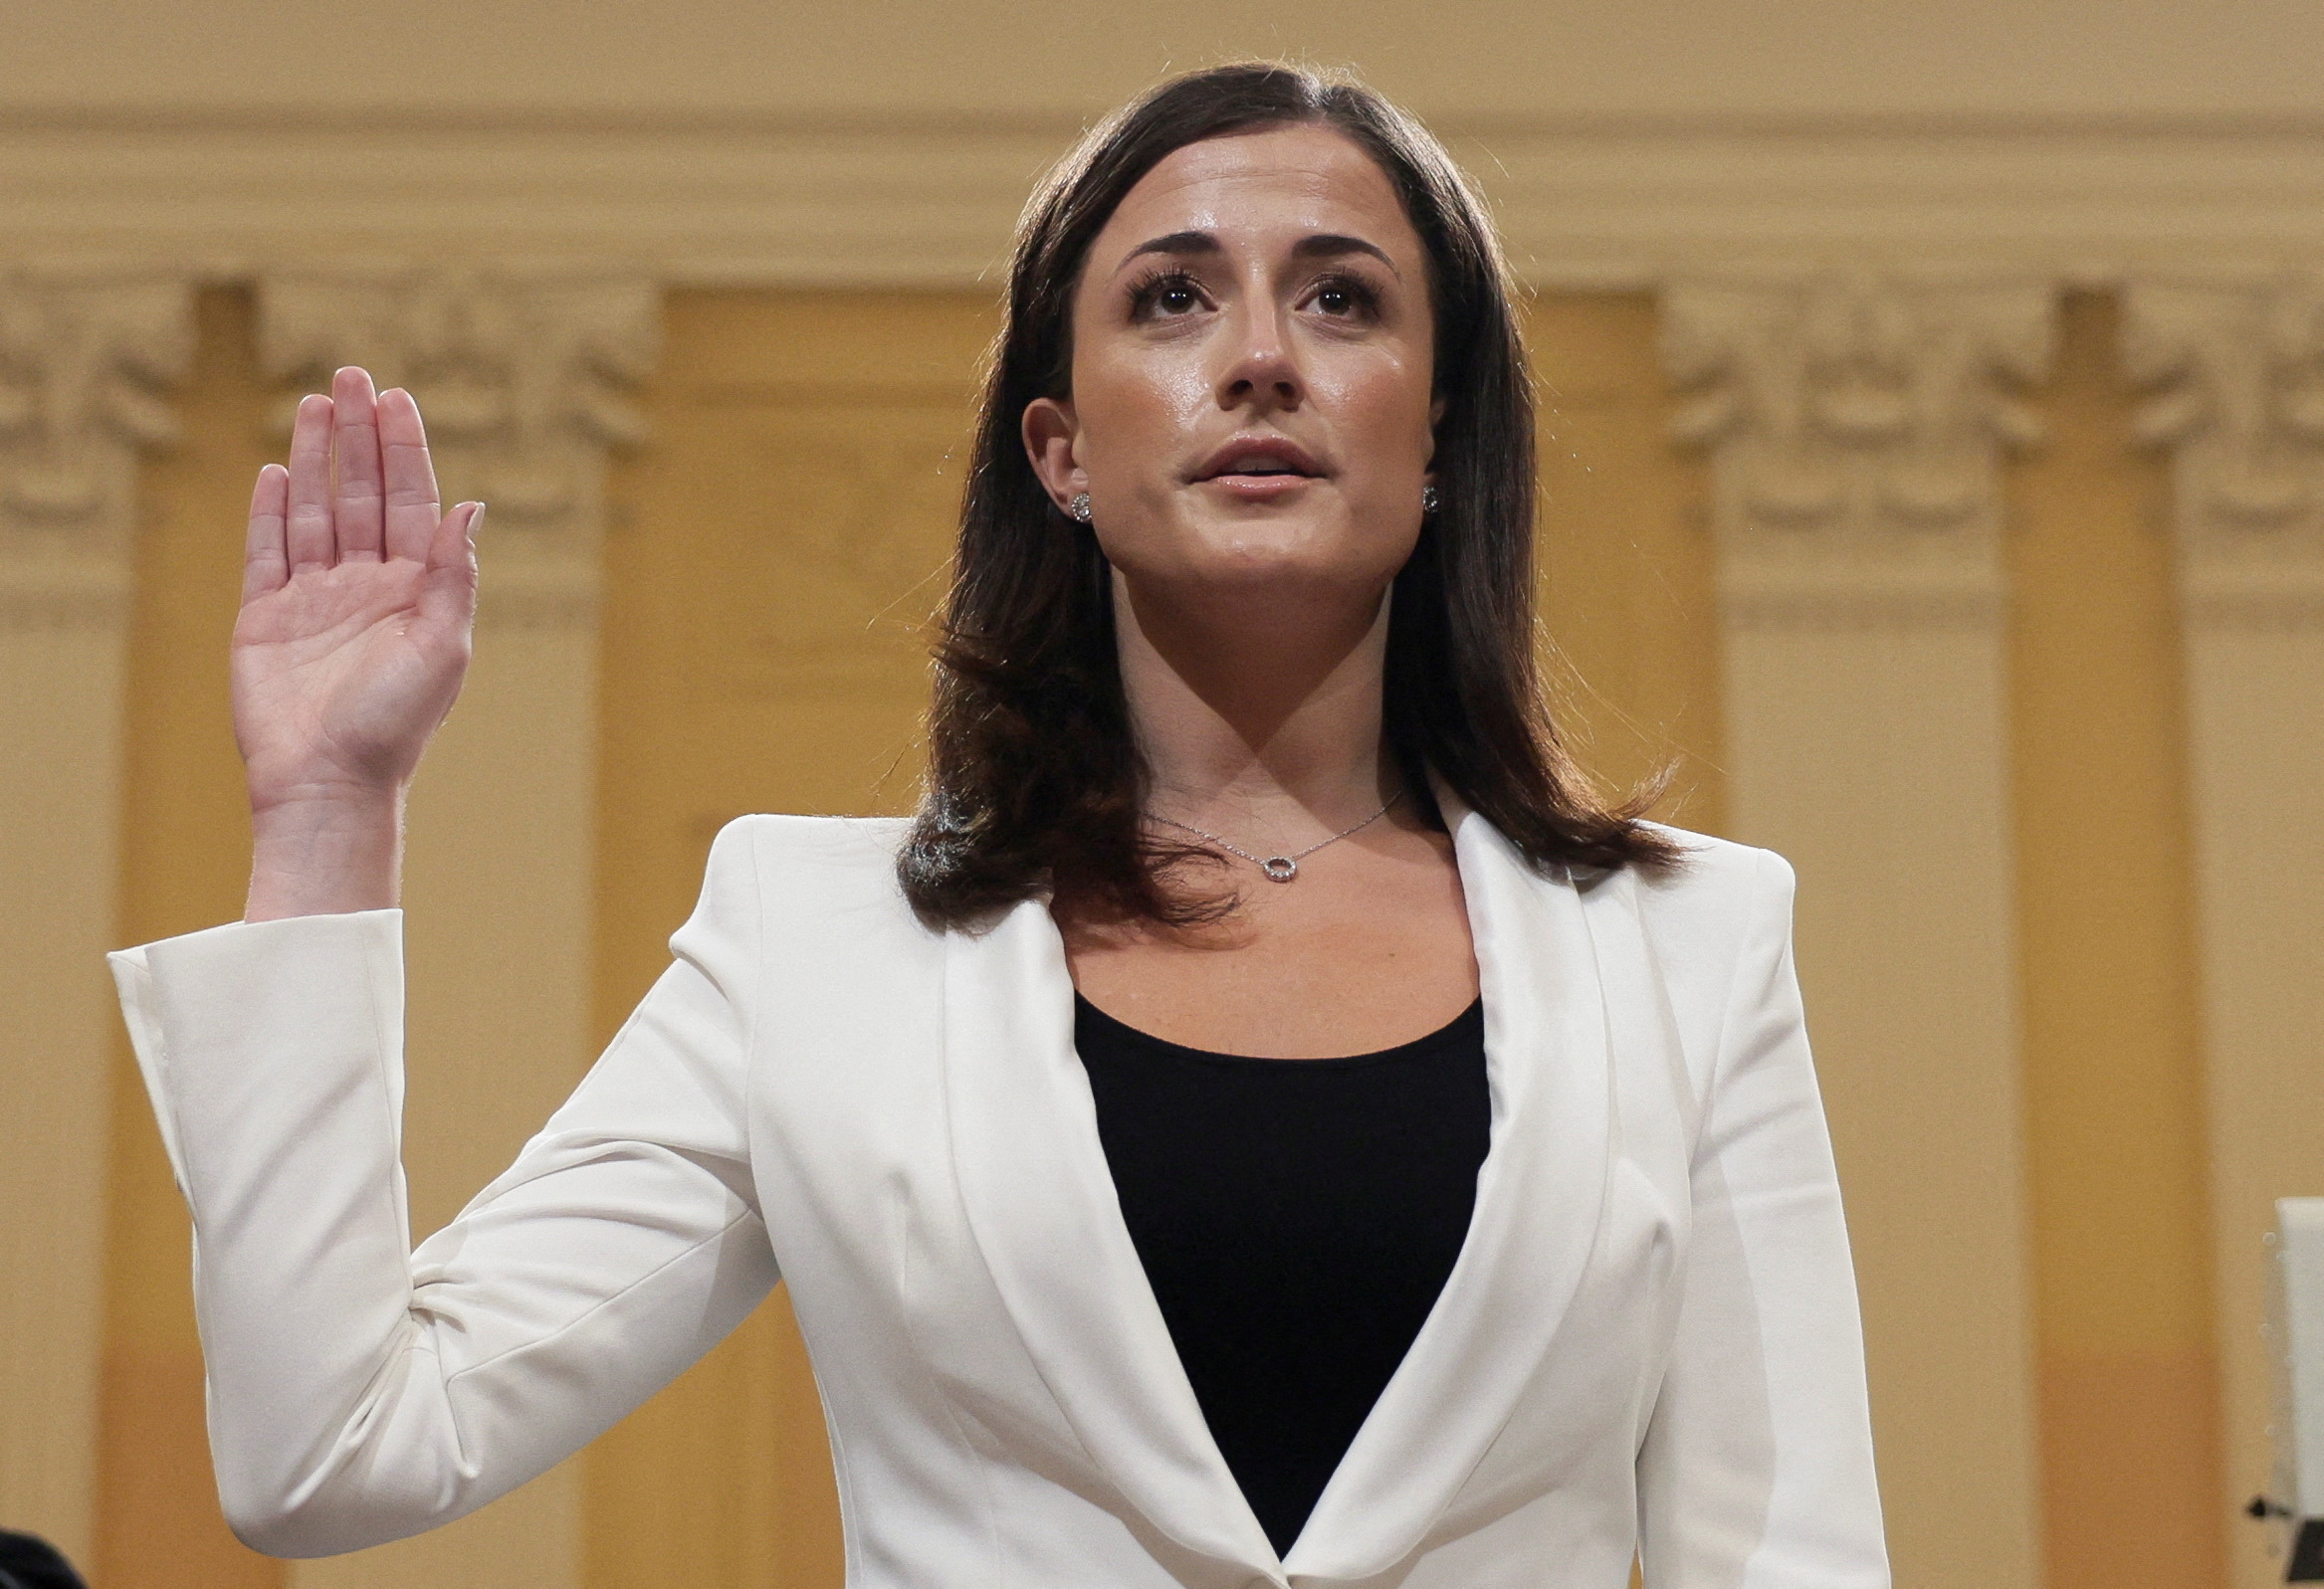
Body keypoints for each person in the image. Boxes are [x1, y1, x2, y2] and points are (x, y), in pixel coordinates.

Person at [110, 63, 1887, 1587]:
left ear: (1437, 444)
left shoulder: (1693, 948)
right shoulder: (809, 938)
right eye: (1172, 299)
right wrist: (329, 809)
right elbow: (334, 1447)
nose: (1260, 355)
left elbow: (1791, 1554)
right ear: (1057, 447)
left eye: (1343, 299)